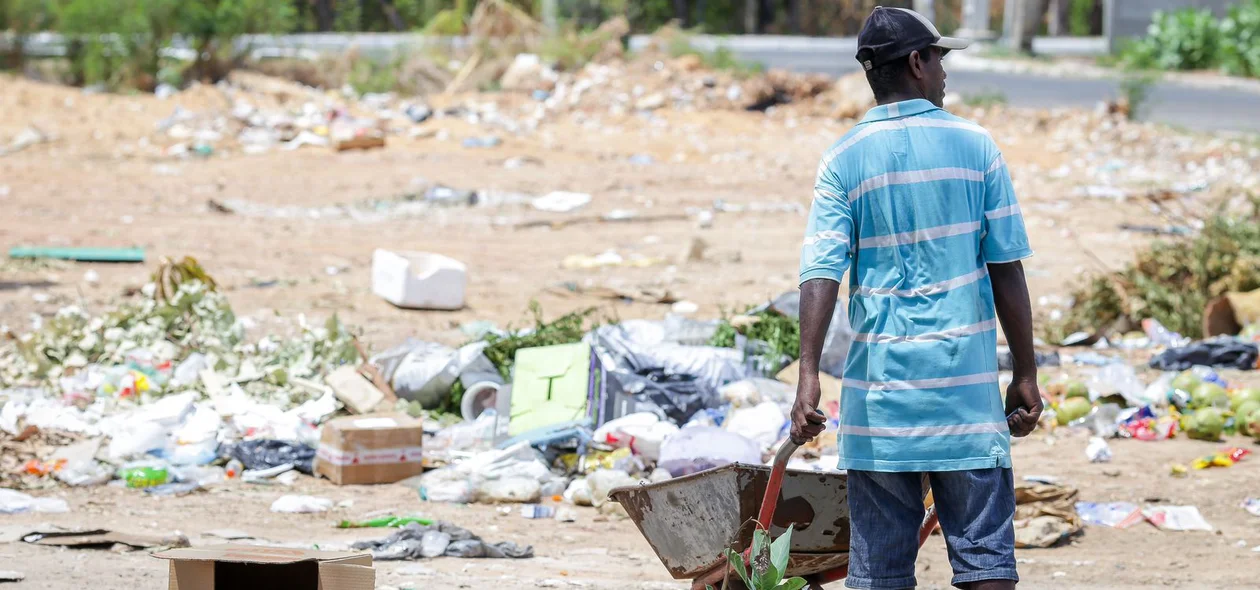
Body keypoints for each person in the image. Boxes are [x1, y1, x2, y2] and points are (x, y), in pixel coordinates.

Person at [789, 6, 1042, 590]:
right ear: (917, 63)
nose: (946, 74)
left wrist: (808, 374)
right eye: (940, 60)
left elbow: (820, 272)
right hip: (966, 403)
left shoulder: (842, 159)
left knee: (880, 571)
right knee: (986, 563)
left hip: (882, 410)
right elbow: (1007, 269)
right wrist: (1025, 372)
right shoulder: (977, 147)